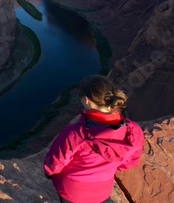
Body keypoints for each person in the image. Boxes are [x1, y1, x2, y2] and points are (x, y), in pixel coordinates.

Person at [43, 75, 144, 203]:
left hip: (72, 192)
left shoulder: (76, 134)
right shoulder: (133, 131)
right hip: (102, 190)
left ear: (86, 100)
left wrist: (49, 174)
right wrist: (108, 168)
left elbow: (54, 164)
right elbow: (131, 162)